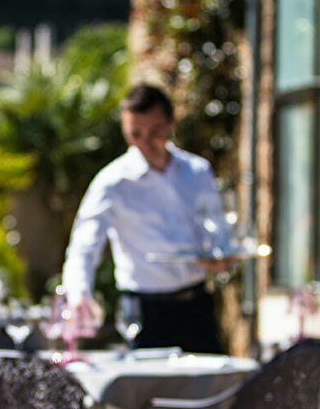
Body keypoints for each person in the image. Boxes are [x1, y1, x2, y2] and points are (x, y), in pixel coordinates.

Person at [61, 83, 230, 354]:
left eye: (155, 132)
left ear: (170, 124)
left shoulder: (197, 171)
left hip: (197, 303)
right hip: (145, 309)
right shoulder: (112, 182)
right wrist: (78, 293)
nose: (145, 143)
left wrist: (219, 254)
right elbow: (83, 245)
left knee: (207, 388)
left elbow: (216, 227)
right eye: (135, 134)